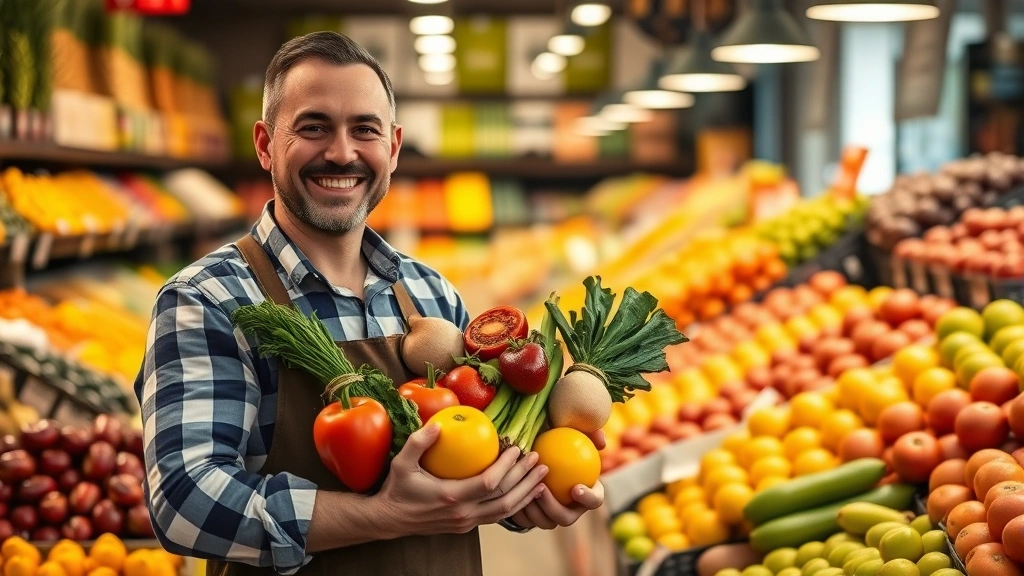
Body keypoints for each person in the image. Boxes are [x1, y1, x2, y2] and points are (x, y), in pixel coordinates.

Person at [134, 31, 605, 576]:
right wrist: (384, 515)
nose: (342, 152)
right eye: (313, 128)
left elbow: (472, 466)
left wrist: (527, 497)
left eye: (365, 129)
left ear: (394, 147)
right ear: (265, 144)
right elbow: (184, 504)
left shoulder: (431, 294)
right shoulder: (207, 299)